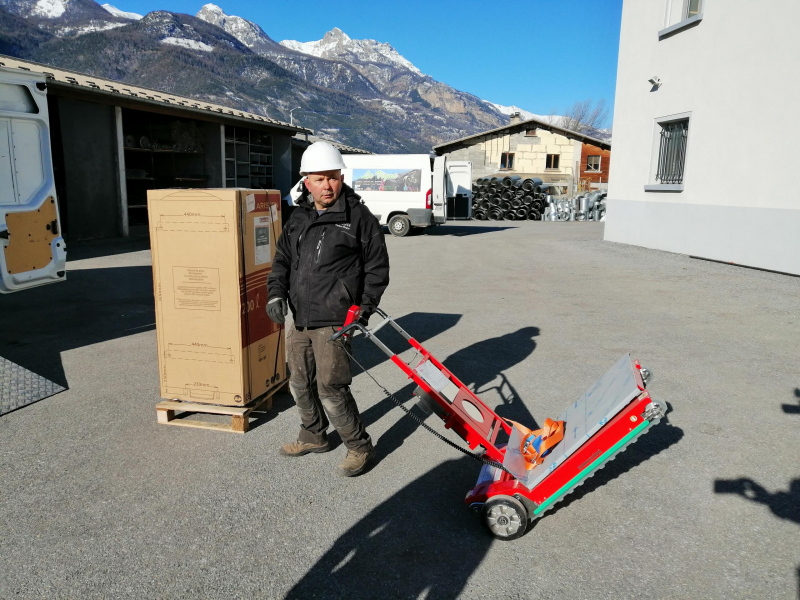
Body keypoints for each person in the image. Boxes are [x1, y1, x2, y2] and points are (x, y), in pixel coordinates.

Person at [266, 141, 390, 477]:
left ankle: (359, 447)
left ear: (341, 177)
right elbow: (282, 261)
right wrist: (276, 294)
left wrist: (362, 309)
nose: (327, 185)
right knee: (299, 382)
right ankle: (313, 435)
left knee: (331, 387)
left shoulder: (357, 218)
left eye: (333, 178)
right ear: (306, 181)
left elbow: (377, 268)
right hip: (301, 317)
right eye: (319, 179)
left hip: (335, 319)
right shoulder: (298, 218)